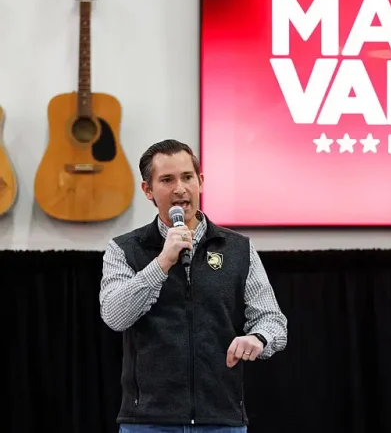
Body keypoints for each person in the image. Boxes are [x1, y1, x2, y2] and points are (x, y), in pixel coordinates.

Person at [99, 139, 288, 432]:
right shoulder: (125, 249)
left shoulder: (237, 248)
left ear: (200, 182)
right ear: (147, 190)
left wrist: (259, 338)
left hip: (221, 419)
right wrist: (162, 262)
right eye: (167, 180)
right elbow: (114, 315)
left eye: (187, 177)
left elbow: (272, 320)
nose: (179, 189)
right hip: (149, 422)